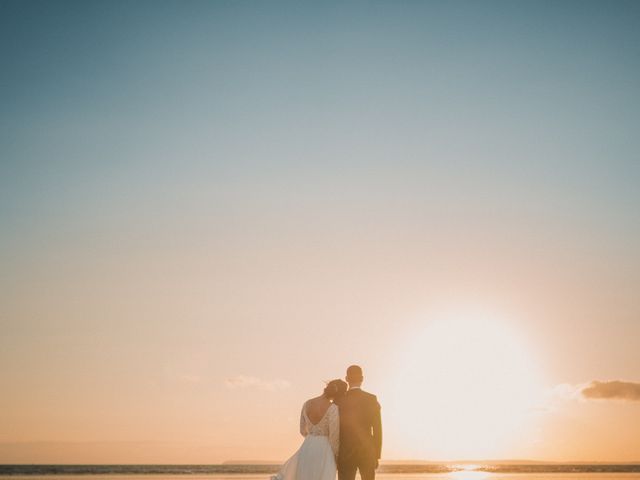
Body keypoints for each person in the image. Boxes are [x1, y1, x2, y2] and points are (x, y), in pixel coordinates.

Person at [271, 379, 347, 480]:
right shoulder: (333, 408)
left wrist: (312, 437)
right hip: (325, 449)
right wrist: (336, 457)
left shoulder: (307, 404)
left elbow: (302, 430)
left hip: (307, 446)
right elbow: (334, 436)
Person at [337, 365, 382, 480]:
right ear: (362, 378)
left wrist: (336, 453)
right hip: (367, 452)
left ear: (347, 379)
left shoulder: (339, 400)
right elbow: (377, 429)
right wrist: (376, 455)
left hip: (345, 452)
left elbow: (335, 429)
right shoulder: (371, 399)